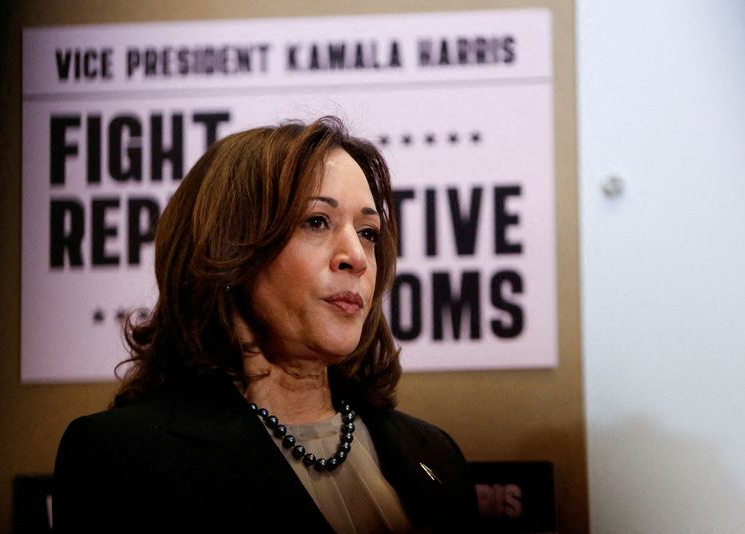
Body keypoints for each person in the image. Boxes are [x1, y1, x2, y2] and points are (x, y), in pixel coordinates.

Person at [53, 116, 479, 533]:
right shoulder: (121, 458)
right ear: (228, 250)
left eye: (368, 232)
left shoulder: (435, 455)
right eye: (316, 221)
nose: (358, 256)